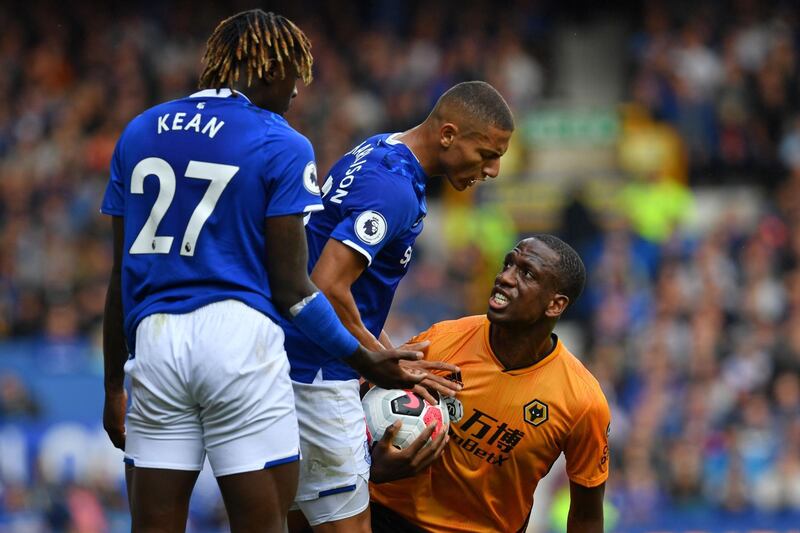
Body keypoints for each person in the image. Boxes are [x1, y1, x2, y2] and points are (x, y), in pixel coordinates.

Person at [100, 10, 427, 533]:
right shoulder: (282, 142)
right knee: (265, 522)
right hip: (238, 341)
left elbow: (120, 278)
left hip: (154, 340)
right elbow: (294, 291)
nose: (297, 94)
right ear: (270, 71)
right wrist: (367, 358)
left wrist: (113, 386)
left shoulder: (139, 131)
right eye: (296, 78)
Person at [284, 81, 514, 532]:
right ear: (448, 135)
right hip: (318, 377)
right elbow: (327, 284)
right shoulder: (394, 191)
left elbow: (348, 290)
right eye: (487, 154)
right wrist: (375, 360)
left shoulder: (379, 150)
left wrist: (390, 354)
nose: (494, 170)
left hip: (298, 362)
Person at [369, 235, 611, 533]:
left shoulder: (583, 401)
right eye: (508, 264)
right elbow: (361, 404)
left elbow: (587, 517)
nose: (505, 278)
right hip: (388, 517)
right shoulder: (442, 340)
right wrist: (369, 467)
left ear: (555, 304)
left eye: (527, 273)